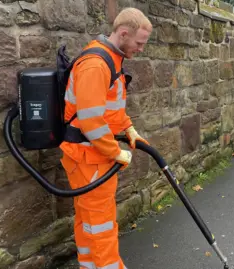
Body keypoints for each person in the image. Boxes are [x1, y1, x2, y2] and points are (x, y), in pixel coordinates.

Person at [59, 7, 152, 269]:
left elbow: (110, 107)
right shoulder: (96, 65)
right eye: (139, 43)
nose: (141, 49)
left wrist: (128, 127)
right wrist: (115, 152)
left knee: (88, 219)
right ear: (123, 34)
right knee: (100, 224)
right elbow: (90, 121)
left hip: (91, 155)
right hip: (89, 157)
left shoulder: (112, 59)